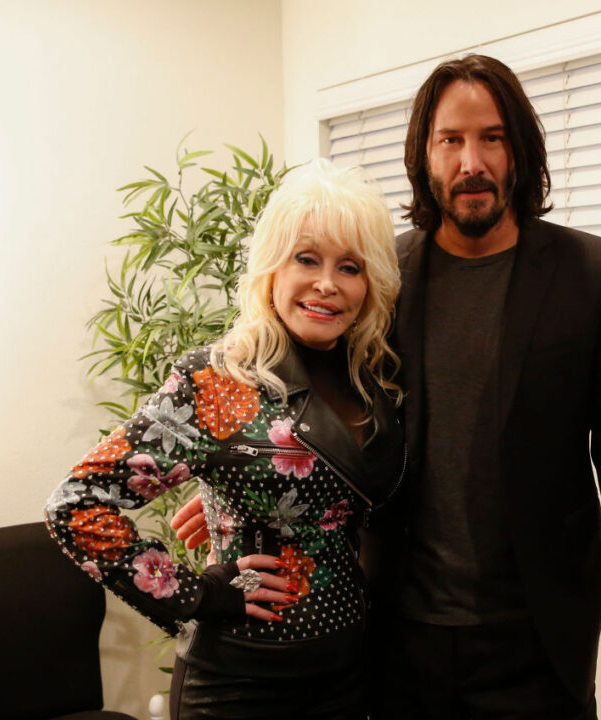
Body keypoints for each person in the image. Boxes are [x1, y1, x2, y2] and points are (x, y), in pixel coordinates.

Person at [175, 54, 601, 719]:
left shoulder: (593, 274)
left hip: (537, 632)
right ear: (424, 154)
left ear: (520, 151)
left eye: (491, 138)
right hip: (397, 628)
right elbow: (299, 386)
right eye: (451, 140)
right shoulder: (380, 277)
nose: (471, 161)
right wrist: (242, 478)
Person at [45, 158, 406, 720]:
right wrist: (198, 594)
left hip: (350, 676)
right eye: (306, 259)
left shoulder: (375, 381)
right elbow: (77, 506)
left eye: (350, 267)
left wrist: (227, 489)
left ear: (371, 282)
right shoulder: (216, 379)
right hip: (239, 686)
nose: (326, 284)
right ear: (271, 271)